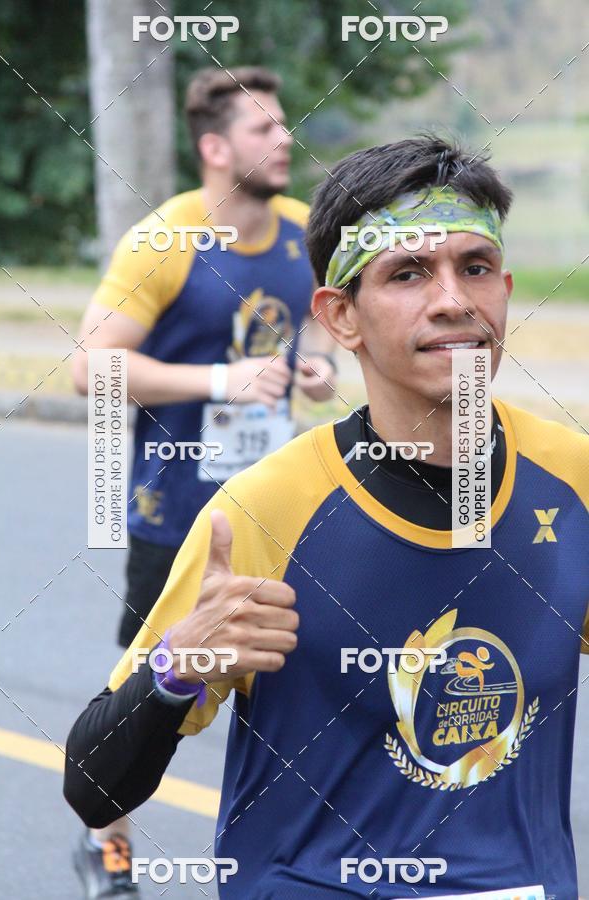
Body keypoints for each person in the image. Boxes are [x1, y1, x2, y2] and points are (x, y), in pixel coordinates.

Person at [65, 135, 589, 898]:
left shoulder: (572, 479)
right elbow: (95, 787)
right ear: (340, 316)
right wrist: (181, 665)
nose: (453, 299)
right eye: (407, 273)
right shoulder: (267, 508)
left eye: (474, 267)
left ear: (505, 288)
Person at [70, 65, 335, 898]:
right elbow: (90, 370)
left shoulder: (304, 230)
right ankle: (109, 858)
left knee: (307, 684)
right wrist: (221, 382)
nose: (285, 139)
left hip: (282, 510)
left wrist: (315, 366)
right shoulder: (167, 237)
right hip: (177, 513)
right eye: (265, 129)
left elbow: (314, 339)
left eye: (285, 125)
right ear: (216, 147)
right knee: (144, 701)